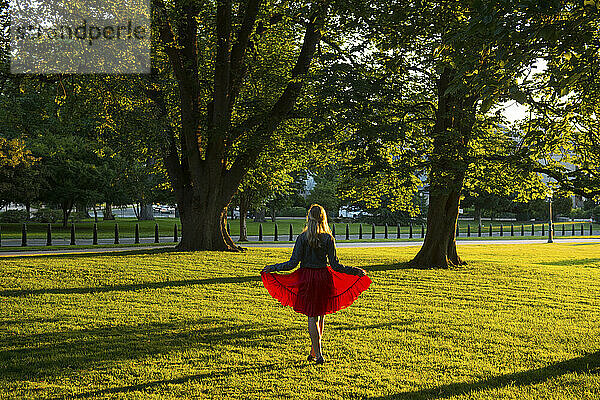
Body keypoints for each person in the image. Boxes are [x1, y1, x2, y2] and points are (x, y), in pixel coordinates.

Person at [261, 204, 372, 365]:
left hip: (307, 278)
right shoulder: (328, 238)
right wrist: (354, 271)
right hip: (323, 278)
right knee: (320, 315)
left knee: (312, 316)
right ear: (323, 218)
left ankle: (318, 353)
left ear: (308, 217)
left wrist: (273, 268)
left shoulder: (302, 238)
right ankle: (315, 352)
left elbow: (293, 263)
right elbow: (336, 266)